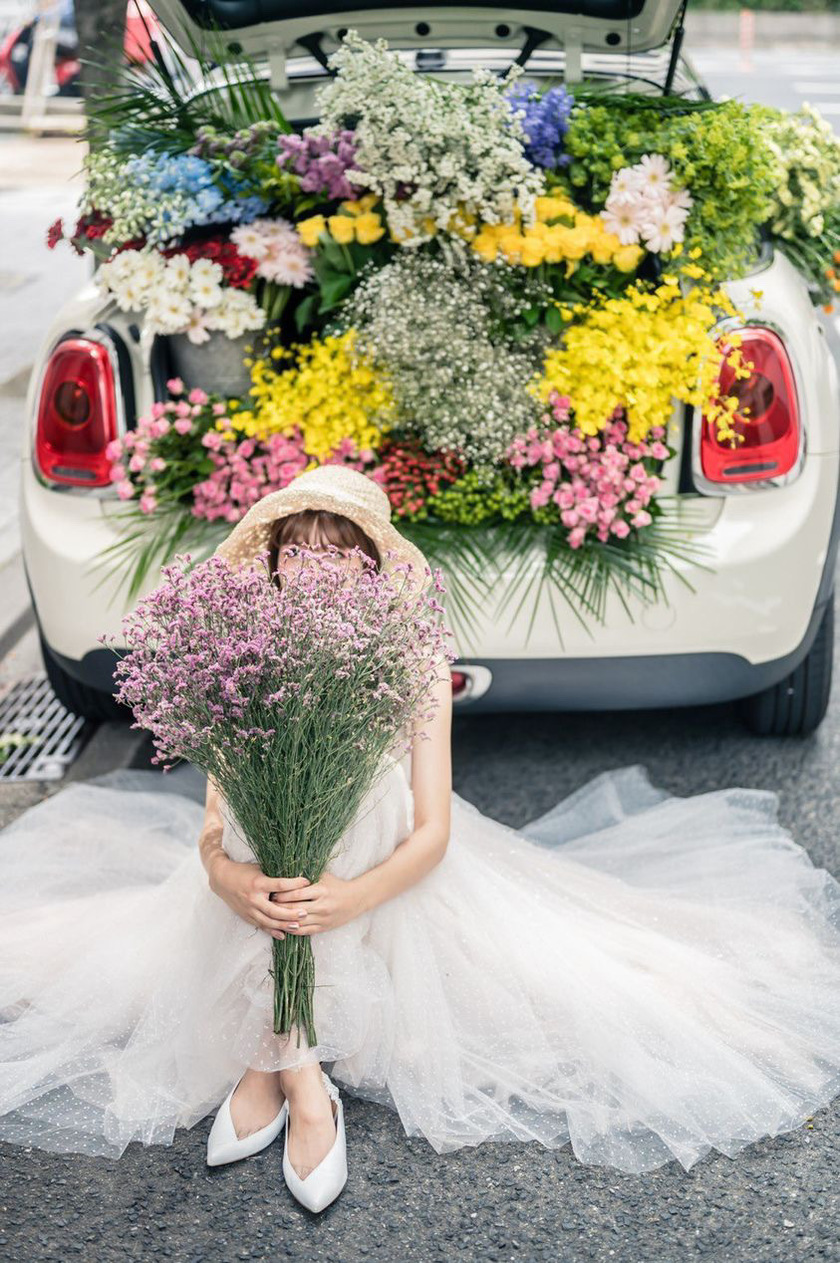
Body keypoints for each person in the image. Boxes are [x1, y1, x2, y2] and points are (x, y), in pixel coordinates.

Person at [1, 465, 840, 1215]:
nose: (316, 570)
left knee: (347, 871)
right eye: (298, 552)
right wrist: (224, 874)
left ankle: (279, 1064)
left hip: (382, 876)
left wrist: (347, 898)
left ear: (370, 571)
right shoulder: (243, 663)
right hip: (260, 886)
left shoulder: (411, 659)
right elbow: (216, 821)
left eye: (339, 554)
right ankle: (298, 1070)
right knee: (268, 848)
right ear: (273, 565)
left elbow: (432, 829)